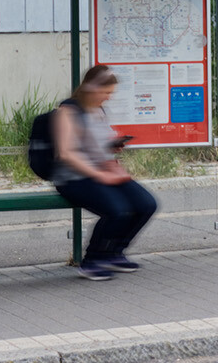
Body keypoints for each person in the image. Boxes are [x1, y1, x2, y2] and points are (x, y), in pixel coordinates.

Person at [50, 64, 157, 281]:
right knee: (117, 210)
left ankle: (114, 253)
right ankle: (92, 261)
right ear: (90, 87)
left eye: (111, 94)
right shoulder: (68, 111)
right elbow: (66, 153)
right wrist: (99, 175)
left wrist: (112, 145)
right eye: (105, 93)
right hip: (74, 178)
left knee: (146, 204)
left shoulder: (98, 110)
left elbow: (97, 143)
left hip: (103, 171)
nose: (108, 98)